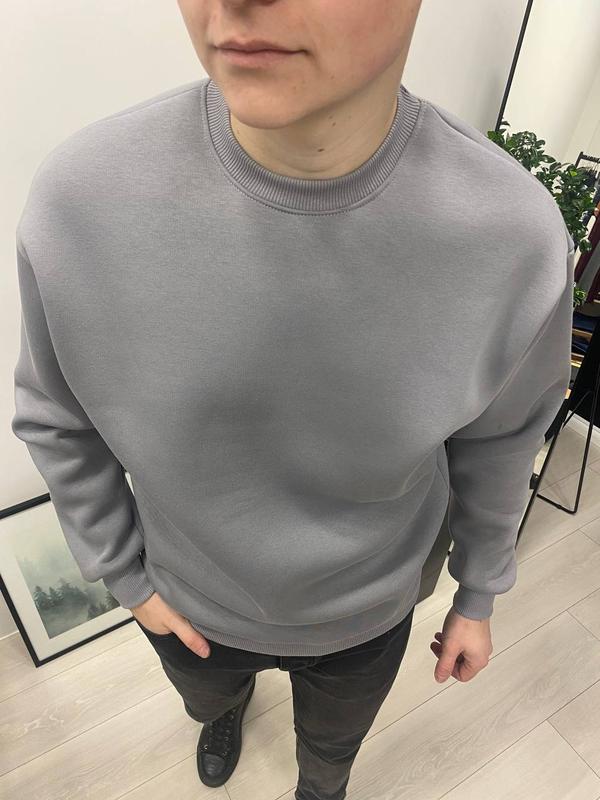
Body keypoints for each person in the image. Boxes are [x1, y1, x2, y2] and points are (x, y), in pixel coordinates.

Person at [11, 1, 574, 796]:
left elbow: (504, 438)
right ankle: (224, 712)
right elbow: (56, 416)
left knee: (332, 754)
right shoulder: (82, 197)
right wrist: (125, 580)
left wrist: (478, 593)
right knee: (208, 701)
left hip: (368, 613)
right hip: (188, 600)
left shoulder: (513, 234)